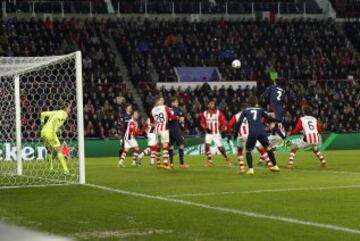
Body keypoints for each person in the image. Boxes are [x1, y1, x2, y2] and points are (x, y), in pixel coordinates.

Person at [234, 96, 280, 175]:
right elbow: (268, 118)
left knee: (248, 151)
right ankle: (275, 165)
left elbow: (239, 122)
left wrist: (235, 133)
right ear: (256, 103)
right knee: (268, 148)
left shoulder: (245, 110)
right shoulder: (260, 110)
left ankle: (251, 169)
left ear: (249, 103)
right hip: (262, 132)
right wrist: (276, 120)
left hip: (252, 132)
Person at [40, 102, 72, 174]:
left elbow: (42, 114)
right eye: (69, 108)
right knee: (59, 150)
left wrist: (42, 124)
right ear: (66, 108)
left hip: (44, 131)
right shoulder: (64, 114)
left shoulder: (56, 112)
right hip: (50, 133)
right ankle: (66, 170)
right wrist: (55, 131)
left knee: (50, 150)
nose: (70, 109)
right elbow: (57, 120)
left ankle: (51, 169)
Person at [200, 100, 232, 167]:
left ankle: (227, 158)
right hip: (209, 133)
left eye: (213, 104)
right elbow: (202, 123)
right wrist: (206, 128)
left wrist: (222, 130)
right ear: (208, 105)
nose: (211, 105)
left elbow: (223, 122)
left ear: (215, 105)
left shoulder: (218, 113)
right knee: (206, 146)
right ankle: (210, 161)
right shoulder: (205, 113)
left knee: (220, 148)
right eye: (210, 104)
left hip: (217, 133)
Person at [150, 96, 176, 169]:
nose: (163, 101)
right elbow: (171, 116)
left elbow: (152, 121)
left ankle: (158, 163)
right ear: (158, 101)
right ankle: (165, 163)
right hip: (164, 129)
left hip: (156, 130)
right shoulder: (165, 107)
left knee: (158, 146)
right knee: (165, 145)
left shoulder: (152, 110)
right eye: (162, 100)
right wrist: (175, 117)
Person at [169, 97, 189, 168]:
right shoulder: (177, 109)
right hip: (176, 130)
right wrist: (183, 129)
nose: (177, 103)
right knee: (181, 145)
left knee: (171, 146)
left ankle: (171, 163)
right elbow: (181, 121)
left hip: (168, 130)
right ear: (173, 103)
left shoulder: (167, 109)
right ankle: (182, 164)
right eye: (176, 102)